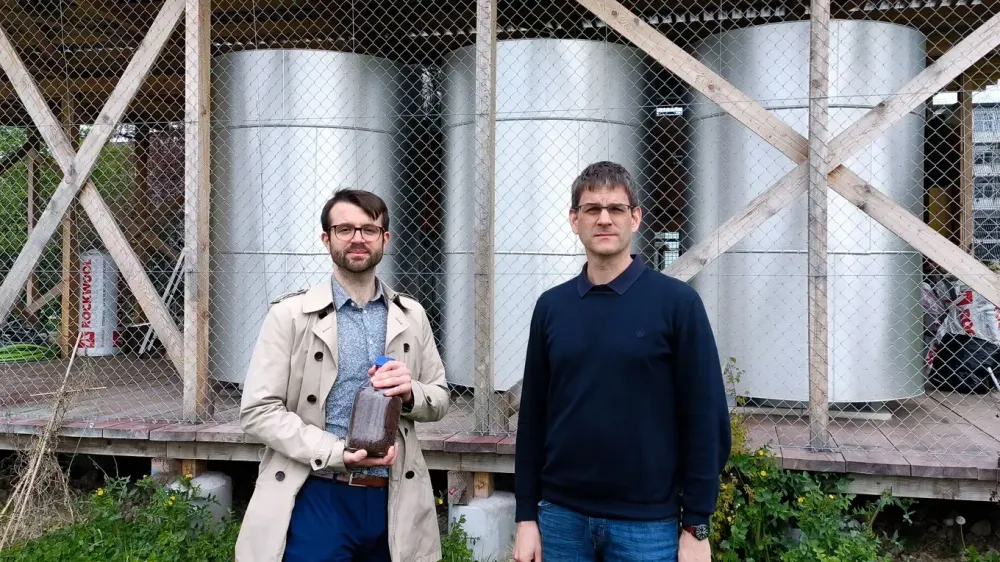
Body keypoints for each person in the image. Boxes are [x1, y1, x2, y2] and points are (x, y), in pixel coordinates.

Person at [512, 162, 732, 562]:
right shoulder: (551, 307)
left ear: (635, 218)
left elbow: (706, 419)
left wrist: (697, 526)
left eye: (615, 208)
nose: (604, 218)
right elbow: (533, 419)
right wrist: (526, 515)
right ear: (574, 220)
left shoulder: (677, 305)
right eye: (592, 209)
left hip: (646, 526)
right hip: (562, 518)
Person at [235, 189, 450, 562]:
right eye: (345, 229)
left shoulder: (412, 315)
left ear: (385, 238)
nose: (357, 239)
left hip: (394, 498)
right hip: (318, 493)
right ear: (326, 238)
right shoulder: (290, 316)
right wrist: (336, 453)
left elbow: (440, 397)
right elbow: (258, 412)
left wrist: (411, 393)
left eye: (369, 229)